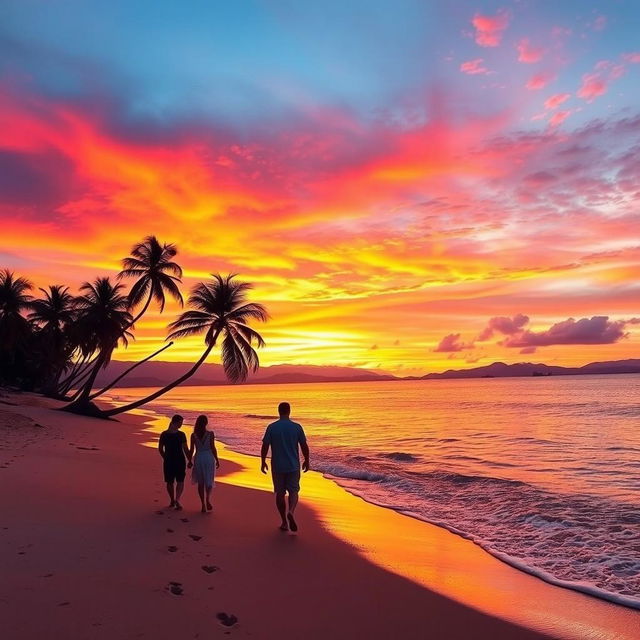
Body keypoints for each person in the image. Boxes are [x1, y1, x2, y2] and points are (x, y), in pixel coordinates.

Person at [261, 402, 310, 532]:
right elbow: (304, 445)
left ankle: (284, 521)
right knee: (294, 491)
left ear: (279, 411)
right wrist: (307, 460)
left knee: (280, 493)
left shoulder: (272, 427)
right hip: (293, 465)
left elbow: (265, 445)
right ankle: (291, 512)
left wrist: (263, 461)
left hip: (277, 466)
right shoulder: (297, 427)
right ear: (289, 411)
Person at [158, 414, 190, 511]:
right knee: (180, 481)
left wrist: (165, 457)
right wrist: (190, 460)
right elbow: (185, 449)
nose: (181, 424)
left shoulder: (164, 434)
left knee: (169, 481)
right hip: (180, 460)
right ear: (176, 422)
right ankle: (177, 499)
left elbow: (160, 449)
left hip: (168, 460)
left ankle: (172, 499)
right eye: (181, 422)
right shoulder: (181, 435)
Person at [189, 414, 220, 513]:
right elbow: (213, 447)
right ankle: (208, 499)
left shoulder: (193, 435)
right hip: (208, 458)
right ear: (206, 423)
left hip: (198, 458)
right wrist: (217, 459)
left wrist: (189, 460)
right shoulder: (210, 434)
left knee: (201, 482)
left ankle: (203, 504)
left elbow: (191, 450)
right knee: (209, 480)